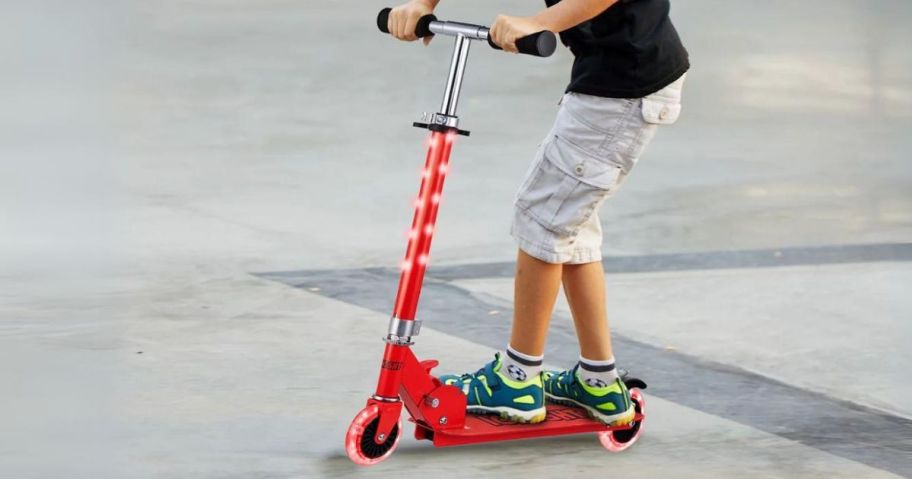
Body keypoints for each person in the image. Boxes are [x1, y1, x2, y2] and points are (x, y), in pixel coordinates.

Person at [386, 0, 689, 425]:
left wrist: (538, 22)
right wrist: (424, 4)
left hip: (624, 86)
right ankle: (598, 381)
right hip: (612, 79)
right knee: (569, 226)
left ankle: (517, 378)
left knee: (541, 221)